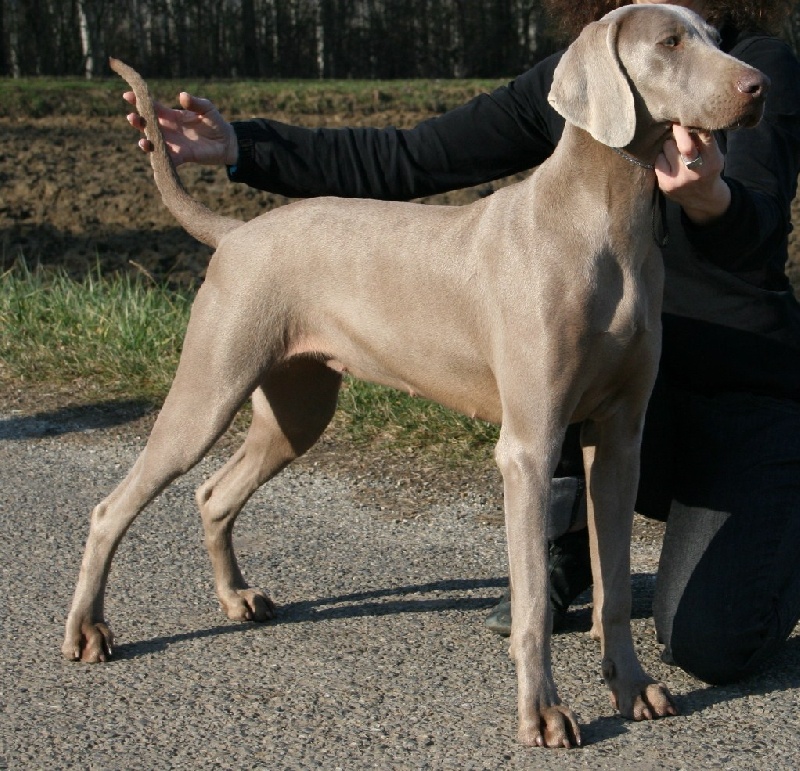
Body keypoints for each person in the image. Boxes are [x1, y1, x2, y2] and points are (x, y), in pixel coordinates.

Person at [126, 0, 800, 686]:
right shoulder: (591, 71)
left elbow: (763, 219)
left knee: (713, 641)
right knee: (550, 345)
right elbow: (413, 157)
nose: (703, 54)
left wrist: (709, 196)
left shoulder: (754, 68)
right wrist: (241, 146)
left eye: (702, 40)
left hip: (736, 401)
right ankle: (567, 538)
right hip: (620, 398)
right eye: (676, 43)